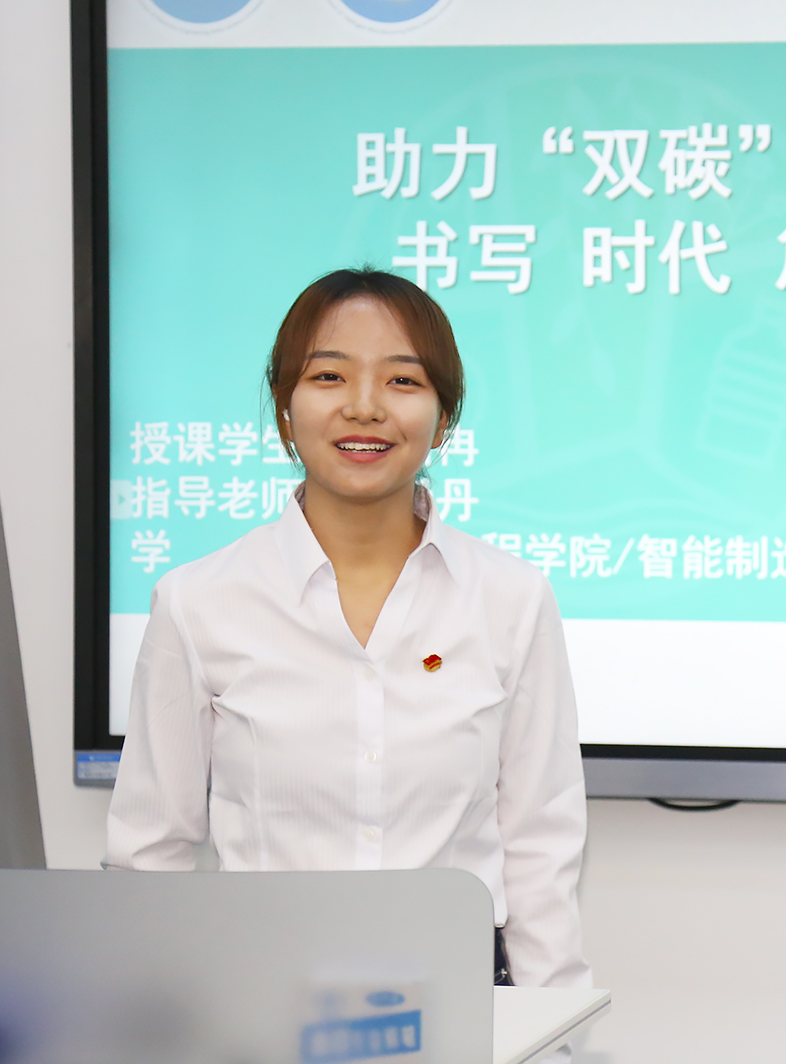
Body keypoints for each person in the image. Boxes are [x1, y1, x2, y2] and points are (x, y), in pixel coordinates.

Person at [105, 268, 589, 990]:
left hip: (455, 994)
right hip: (259, 998)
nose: (364, 407)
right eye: (328, 376)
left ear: (444, 418)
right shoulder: (198, 601)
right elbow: (150, 853)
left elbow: (540, 845)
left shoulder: (512, 598)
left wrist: (553, 1029)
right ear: (284, 409)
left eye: (403, 381)